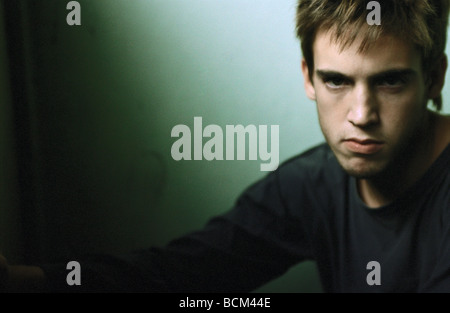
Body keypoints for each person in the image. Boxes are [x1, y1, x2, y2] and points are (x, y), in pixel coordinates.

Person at [1, 0, 449, 293]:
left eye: (389, 81)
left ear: (434, 77)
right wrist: (36, 280)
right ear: (308, 78)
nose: (361, 114)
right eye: (336, 80)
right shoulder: (312, 184)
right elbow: (190, 270)